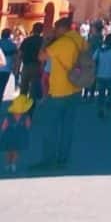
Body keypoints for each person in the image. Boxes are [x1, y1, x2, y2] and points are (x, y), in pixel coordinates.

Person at [34, 16, 86, 170]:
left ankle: (48, 159)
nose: (55, 32)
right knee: (67, 127)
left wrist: (46, 40)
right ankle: (63, 159)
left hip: (59, 90)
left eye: (56, 29)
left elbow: (41, 57)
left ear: (63, 28)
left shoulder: (61, 43)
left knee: (50, 126)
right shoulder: (80, 40)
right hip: (76, 87)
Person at [0, 94, 33, 173]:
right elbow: (28, 126)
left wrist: (3, 132)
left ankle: (8, 164)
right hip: (19, 135)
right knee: (16, 151)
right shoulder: (25, 116)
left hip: (9, 135)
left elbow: (3, 127)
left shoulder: (9, 116)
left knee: (9, 151)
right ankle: (13, 164)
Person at [17, 24, 44, 103]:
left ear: (33, 29)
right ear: (41, 30)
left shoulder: (27, 40)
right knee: (33, 89)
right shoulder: (42, 41)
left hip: (26, 65)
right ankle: (30, 108)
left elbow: (20, 54)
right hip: (37, 66)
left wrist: (17, 67)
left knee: (23, 88)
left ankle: (21, 105)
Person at [0, 29, 17, 101]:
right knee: (2, 87)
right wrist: (15, 68)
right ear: (9, 35)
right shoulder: (13, 45)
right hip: (6, 69)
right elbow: (15, 58)